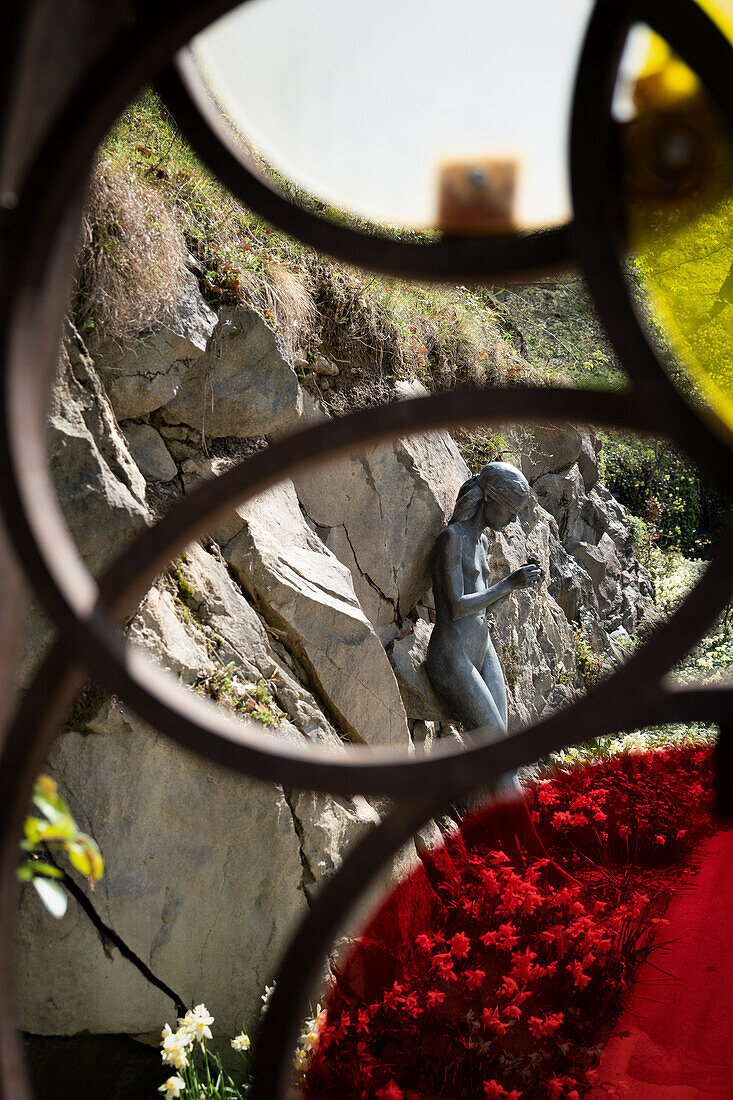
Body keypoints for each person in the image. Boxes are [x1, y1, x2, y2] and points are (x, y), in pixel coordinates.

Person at [425, 461, 559, 868]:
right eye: (512, 509)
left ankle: (512, 855)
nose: (515, 518)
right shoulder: (452, 539)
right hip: (453, 656)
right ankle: (538, 860)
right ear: (491, 500)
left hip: (483, 651)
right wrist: (509, 584)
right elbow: (456, 606)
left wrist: (512, 584)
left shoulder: (481, 541)